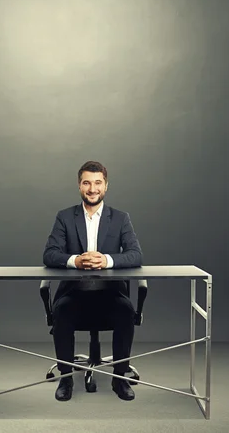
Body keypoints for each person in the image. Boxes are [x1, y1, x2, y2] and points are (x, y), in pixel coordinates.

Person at [43, 161, 143, 402]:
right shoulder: (65, 217)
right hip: (74, 293)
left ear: (106, 186)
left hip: (110, 294)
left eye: (98, 183)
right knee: (62, 311)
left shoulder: (120, 218)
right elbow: (49, 254)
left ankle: (120, 378)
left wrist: (106, 260)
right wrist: (75, 261)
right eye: (87, 182)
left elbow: (135, 254)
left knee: (125, 310)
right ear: (79, 186)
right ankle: (66, 378)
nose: (92, 188)